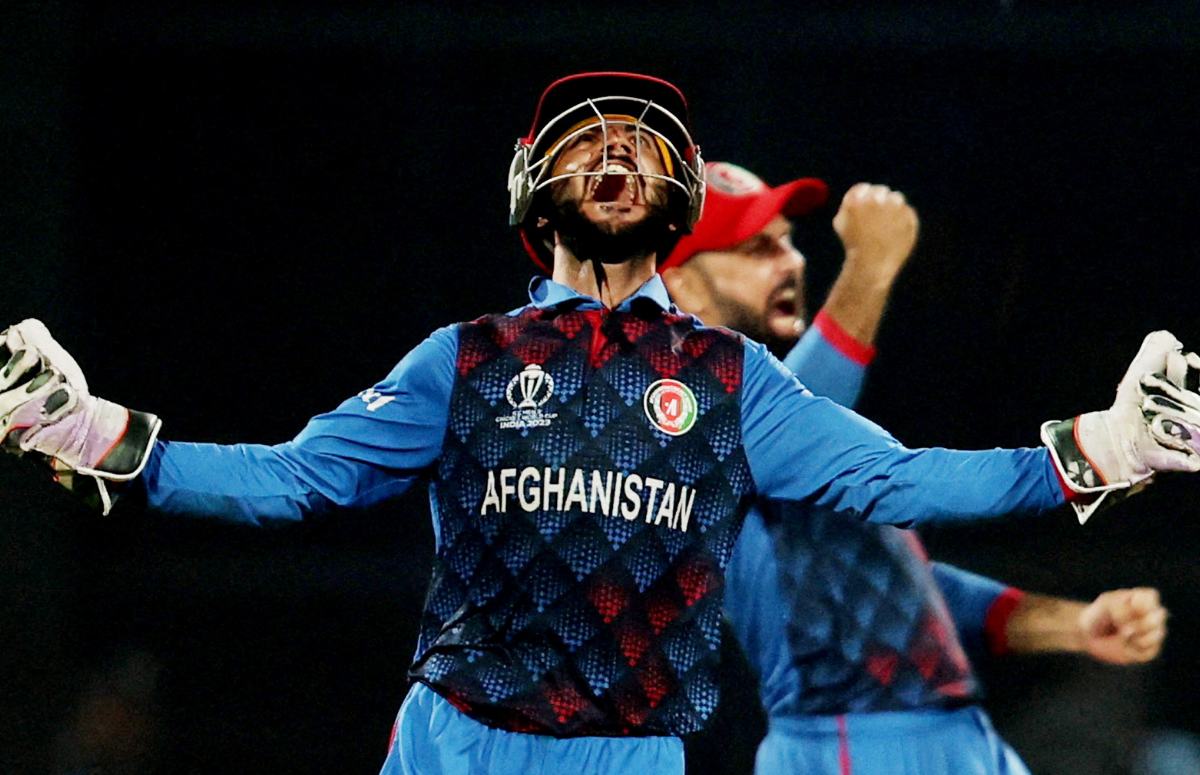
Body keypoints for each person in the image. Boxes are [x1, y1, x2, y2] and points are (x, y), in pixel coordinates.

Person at [0, 72, 1196, 775]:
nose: (615, 153)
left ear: (676, 194)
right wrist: (97, 435)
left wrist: (1103, 448)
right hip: (450, 742)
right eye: (586, 141)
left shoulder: (733, 380)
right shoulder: (463, 360)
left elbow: (902, 483)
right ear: (534, 185)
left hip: (624, 756)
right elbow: (292, 479)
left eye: (640, 142)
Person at [661, 160, 1170, 774]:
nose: (791, 261)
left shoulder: (801, 437)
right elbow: (803, 410)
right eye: (755, 248)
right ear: (681, 283)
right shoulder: (675, 416)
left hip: (956, 732)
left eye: (789, 241)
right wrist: (869, 269)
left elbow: (908, 589)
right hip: (845, 742)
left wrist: (1073, 625)